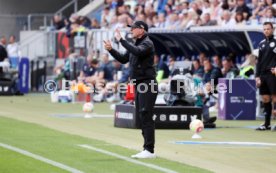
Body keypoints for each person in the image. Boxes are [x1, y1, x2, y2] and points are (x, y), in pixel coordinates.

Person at [104, 21, 158, 158]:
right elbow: (123, 59)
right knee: (142, 115)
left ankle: (149, 150)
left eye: (134, 28)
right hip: (139, 84)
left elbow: (137, 52)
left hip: (148, 83)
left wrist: (121, 40)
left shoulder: (147, 43)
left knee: (146, 115)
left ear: (142, 30)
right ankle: (147, 149)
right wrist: (111, 49)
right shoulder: (135, 44)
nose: (131, 30)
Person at [255, 22, 276, 131]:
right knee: (266, 98)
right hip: (263, 75)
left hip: (273, 74)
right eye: (265, 29)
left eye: (268, 29)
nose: (266, 30)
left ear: (272, 30)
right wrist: (257, 76)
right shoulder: (261, 43)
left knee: (274, 98)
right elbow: (259, 62)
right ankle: (267, 124)